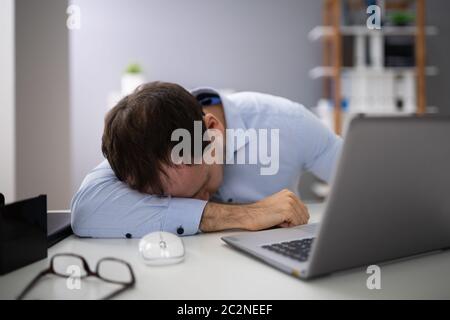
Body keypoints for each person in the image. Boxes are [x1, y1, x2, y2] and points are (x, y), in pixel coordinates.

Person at [71, 82, 342, 238]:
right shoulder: (141, 145)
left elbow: (370, 184)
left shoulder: (287, 123)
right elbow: (86, 209)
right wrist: (247, 214)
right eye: (169, 198)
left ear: (213, 132)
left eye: (202, 186)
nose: (202, 201)